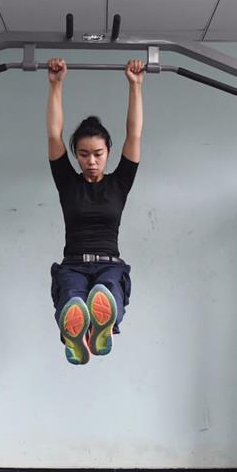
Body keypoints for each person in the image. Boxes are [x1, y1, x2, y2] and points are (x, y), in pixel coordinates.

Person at [46, 57, 144, 365]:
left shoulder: (120, 182)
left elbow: (134, 135)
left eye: (98, 154)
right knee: (72, 298)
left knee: (107, 289)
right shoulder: (67, 182)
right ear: (75, 155)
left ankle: (101, 326)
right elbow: (54, 135)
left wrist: (135, 86)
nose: (91, 161)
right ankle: (77, 333)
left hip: (108, 266)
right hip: (73, 265)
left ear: (108, 152)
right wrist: (56, 85)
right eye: (84, 154)